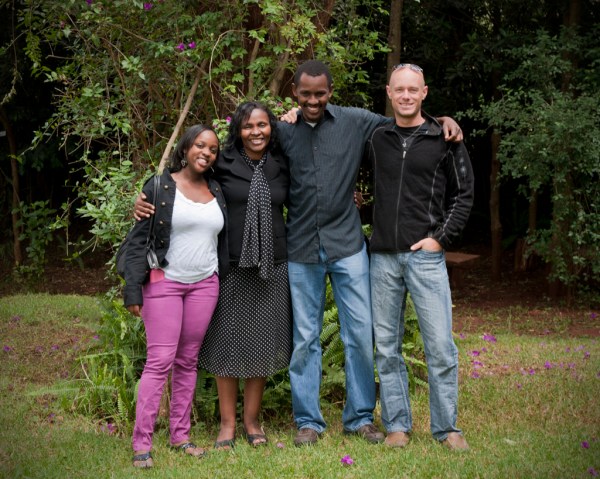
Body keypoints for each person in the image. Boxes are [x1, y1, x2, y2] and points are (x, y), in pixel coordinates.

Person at [277, 59, 463, 446]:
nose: (313, 101)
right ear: (295, 93)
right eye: (305, 95)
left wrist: (444, 119)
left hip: (347, 246)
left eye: (320, 93)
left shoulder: (357, 122)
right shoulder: (283, 130)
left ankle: (360, 417)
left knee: (360, 334)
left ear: (331, 92)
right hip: (301, 248)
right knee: (306, 337)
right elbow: (247, 144)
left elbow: (407, 121)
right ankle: (308, 421)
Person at [135, 102, 291, 450]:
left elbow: (308, 193)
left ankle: (252, 421)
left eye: (263, 125)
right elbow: (185, 179)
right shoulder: (222, 162)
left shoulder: (282, 164)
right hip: (231, 266)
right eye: (248, 125)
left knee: (261, 344)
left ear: (271, 128)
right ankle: (227, 424)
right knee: (225, 344)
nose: (256, 132)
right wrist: (144, 199)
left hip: (272, 266)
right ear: (237, 130)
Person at [365, 63, 474, 450]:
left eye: (413, 89)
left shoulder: (445, 138)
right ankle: (397, 425)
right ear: (389, 93)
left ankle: (447, 428)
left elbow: (464, 195)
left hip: (425, 258)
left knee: (440, 345)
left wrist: (441, 239)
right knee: (386, 347)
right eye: (400, 89)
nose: (407, 95)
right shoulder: (376, 137)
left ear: (424, 92)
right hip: (382, 258)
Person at [124, 124, 228, 468]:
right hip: (164, 282)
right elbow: (139, 239)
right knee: (160, 361)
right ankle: (142, 443)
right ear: (185, 148)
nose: (206, 152)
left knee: (187, 361)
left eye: (212, 149)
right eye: (200, 145)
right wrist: (132, 289)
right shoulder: (159, 186)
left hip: (204, 284)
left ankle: (180, 436)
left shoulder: (217, 187)